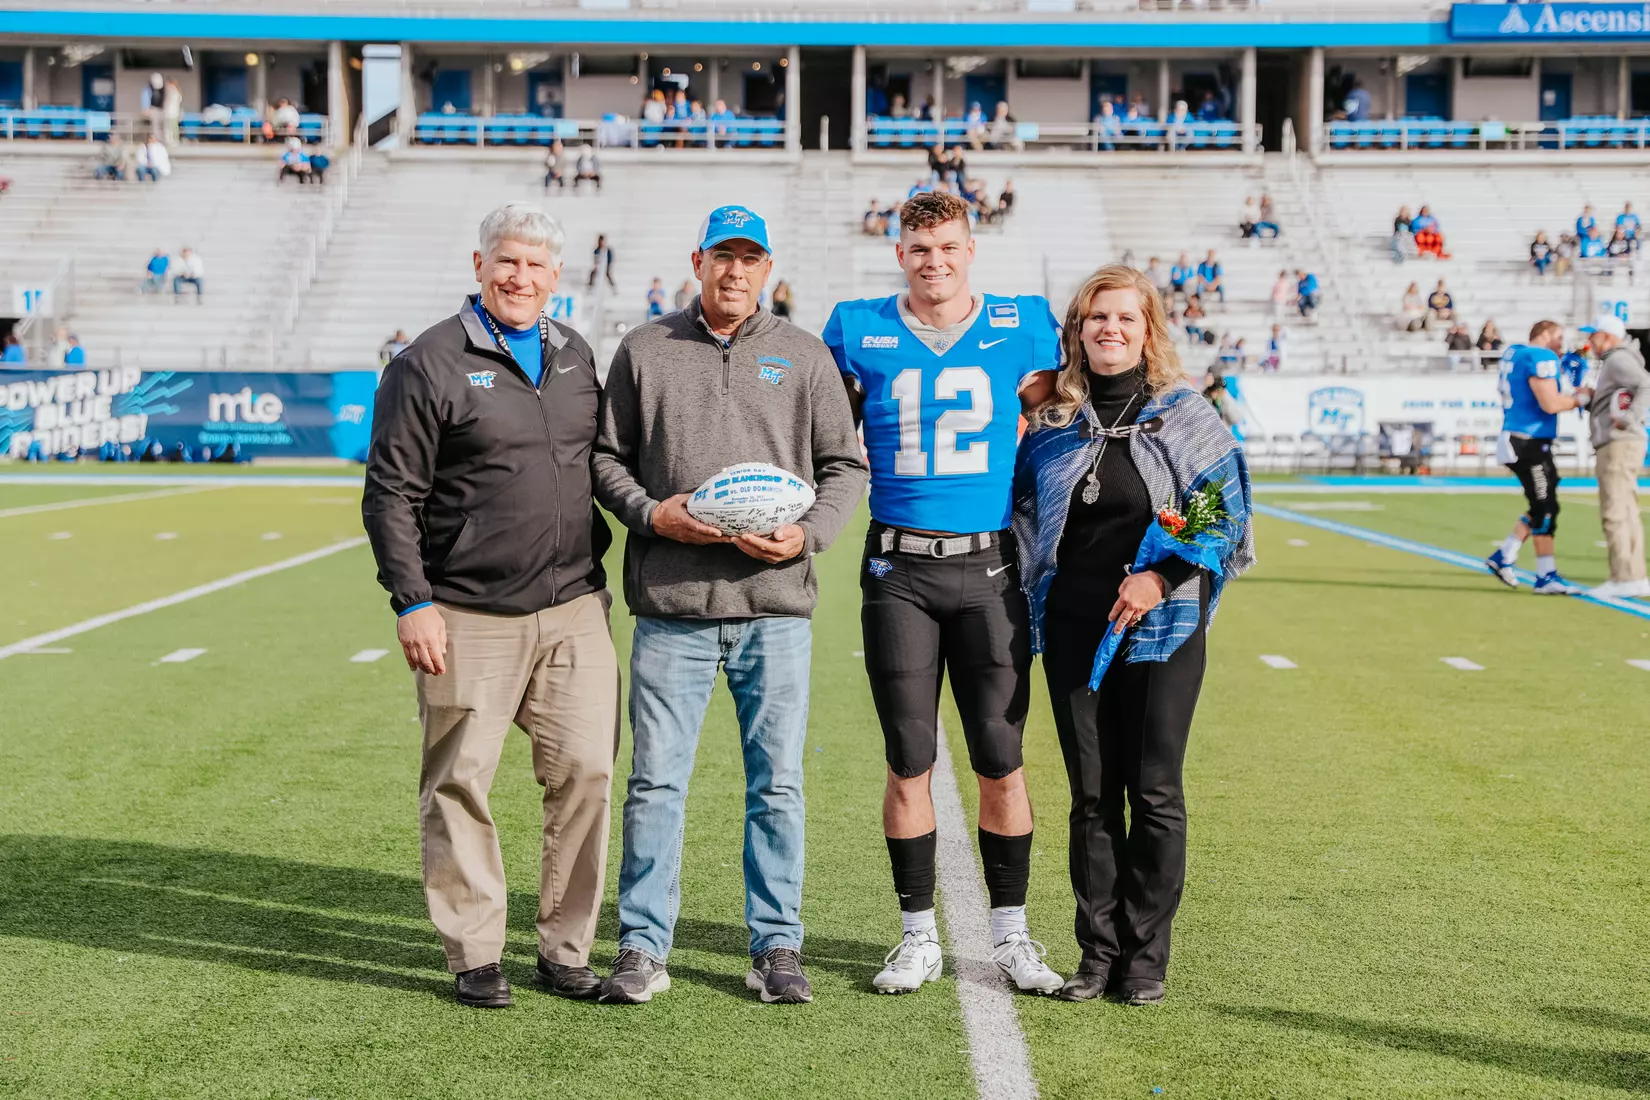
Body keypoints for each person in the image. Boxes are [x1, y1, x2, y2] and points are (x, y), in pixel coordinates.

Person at [591, 205, 867, 1007]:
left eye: (750, 258)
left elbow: (844, 467)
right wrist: (652, 514)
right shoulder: (645, 350)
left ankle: (775, 946)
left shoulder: (804, 356)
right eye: (723, 257)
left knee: (776, 784)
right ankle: (643, 947)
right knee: (654, 785)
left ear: (768, 267)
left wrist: (807, 536)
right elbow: (605, 459)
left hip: (773, 608)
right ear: (698, 260)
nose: (736, 272)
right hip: (672, 606)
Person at [362, 202, 619, 1010]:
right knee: (461, 782)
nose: (522, 277)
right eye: (508, 261)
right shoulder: (428, 362)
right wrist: (413, 601)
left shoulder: (575, 355)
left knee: (588, 770)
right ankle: (475, 952)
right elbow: (389, 494)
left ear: (558, 276)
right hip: (468, 611)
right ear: (480, 266)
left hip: (574, 605)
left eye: (538, 265)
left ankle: (564, 947)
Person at [820, 190, 1063, 999]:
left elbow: (1060, 401)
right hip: (899, 571)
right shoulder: (857, 328)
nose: (935, 261)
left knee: (1002, 760)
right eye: (921, 249)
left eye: (949, 247)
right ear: (900, 252)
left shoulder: (1022, 322)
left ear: (970, 249)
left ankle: (1013, 936)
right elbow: (819, 424)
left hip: (991, 568)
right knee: (908, 759)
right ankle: (918, 935)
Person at [1012, 263, 1254, 1005]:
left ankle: (1145, 958)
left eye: (1124, 318)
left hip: (1163, 628)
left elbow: (1225, 517)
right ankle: (1097, 952)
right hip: (1075, 627)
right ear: (1076, 333)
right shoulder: (1052, 427)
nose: (1110, 329)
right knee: (1090, 795)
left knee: (1152, 792)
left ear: (1148, 330)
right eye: (1096, 318)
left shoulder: (1185, 414)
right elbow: (1022, 521)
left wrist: (1160, 580)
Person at [1485, 320, 1592, 595]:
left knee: (1543, 504)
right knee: (1545, 507)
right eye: (1558, 337)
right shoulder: (1539, 356)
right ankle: (1545, 576)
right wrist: (1582, 399)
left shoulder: (1516, 352)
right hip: (1527, 442)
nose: (1561, 344)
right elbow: (1551, 403)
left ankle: (1505, 555)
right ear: (1544, 335)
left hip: (1521, 438)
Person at [1579, 315, 1650, 598]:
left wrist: (1630, 418)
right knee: (1627, 511)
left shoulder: (1617, 359)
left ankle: (1623, 577)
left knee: (1615, 511)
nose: (1589, 341)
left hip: (1618, 442)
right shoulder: (1620, 358)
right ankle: (1634, 575)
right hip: (1625, 441)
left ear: (1607, 335)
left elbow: (1645, 385)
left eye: (1593, 334)